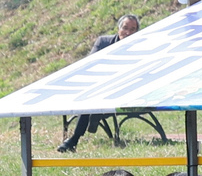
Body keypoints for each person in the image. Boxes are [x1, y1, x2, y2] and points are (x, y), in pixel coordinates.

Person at [57, 15, 141, 152]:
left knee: (91, 102)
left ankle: (74, 139)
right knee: (90, 100)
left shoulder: (141, 48)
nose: (128, 33)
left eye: (133, 29)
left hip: (124, 90)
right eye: (125, 28)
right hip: (99, 87)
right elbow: (90, 65)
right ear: (118, 29)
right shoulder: (103, 42)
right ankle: (78, 134)